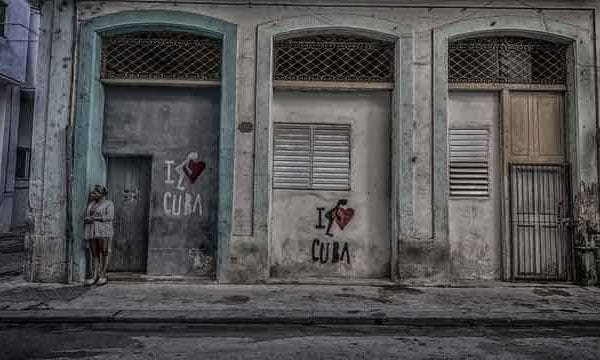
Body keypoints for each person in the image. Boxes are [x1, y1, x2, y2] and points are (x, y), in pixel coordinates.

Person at [83, 185, 115, 286]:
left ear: (101, 194)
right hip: (92, 231)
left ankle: (103, 275)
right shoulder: (92, 203)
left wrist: (94, 219)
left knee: (104, 252)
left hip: (103, 231)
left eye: (95, 193)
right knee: (94, 253)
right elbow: (89, 215)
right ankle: (94, 275)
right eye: (92, 193)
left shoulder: (108, 204)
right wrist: (87, 219)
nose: (92, 195)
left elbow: (109, 217)